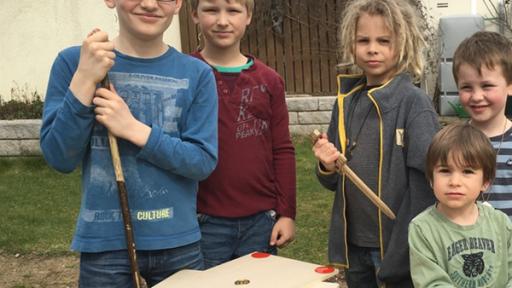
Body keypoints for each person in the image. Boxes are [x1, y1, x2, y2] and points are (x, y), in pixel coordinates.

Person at [40, 0, 218, 286]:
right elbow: (59, 157)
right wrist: (85, 78)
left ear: (178, 4)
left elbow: (201, 162)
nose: (149, 4)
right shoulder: (74, 63)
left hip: (178, 243)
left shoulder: (197, 74)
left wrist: (135, 130)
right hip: (104, 247)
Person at [312, 0, 439, 286]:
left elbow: (427, 186)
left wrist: (404, 246)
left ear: (403, 43)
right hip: (354, 246)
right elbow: (332, 183)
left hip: (398, 248)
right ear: (350, 42)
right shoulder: (345, 102)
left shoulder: (414, 104)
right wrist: (327, 164)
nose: (372, 48)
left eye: (384, 40)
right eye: (363, 40)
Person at [188, 0, 296, 269]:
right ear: (194, 15)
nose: (222, 21)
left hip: (260, 222)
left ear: (248, 16)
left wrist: (286, 213)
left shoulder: (269, 80)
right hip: (203, 220)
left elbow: (282, 149)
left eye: (233, 11)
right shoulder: (185, 73)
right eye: (211, 10)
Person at [409, 122, 512, 287]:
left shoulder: (501, 223)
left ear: (485, 181)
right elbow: (432, 283)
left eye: (467, 172)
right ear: (431, 178)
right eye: (445, 171)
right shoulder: (422, 229)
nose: (455, 182)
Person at [452, 31, 512, 220]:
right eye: (467, 87)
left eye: (487, 86)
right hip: (468, 245)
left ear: (509, 86)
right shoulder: (452, 142)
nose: (477, 96)